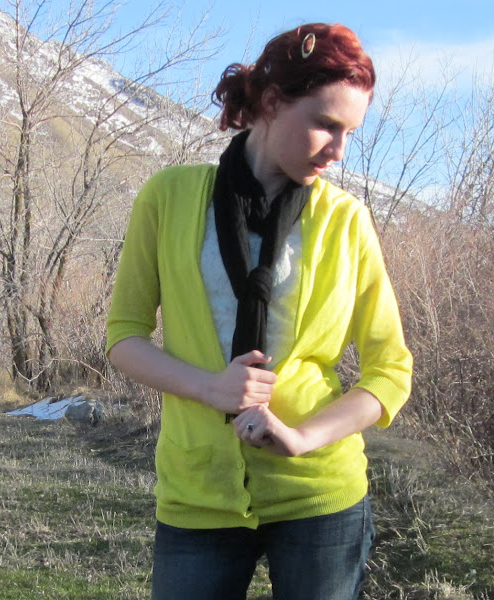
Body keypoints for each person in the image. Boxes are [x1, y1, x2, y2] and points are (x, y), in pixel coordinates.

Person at [106, 22, 412, 600]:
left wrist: (302, 438)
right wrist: (210, 388)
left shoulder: (347, 221)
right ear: (271, 102)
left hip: (321, 497)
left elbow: (390, 370)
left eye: (350, 132)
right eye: (326, 124)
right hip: (197, 493)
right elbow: (124, 337)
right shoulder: (168, 197)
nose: (339, 151)